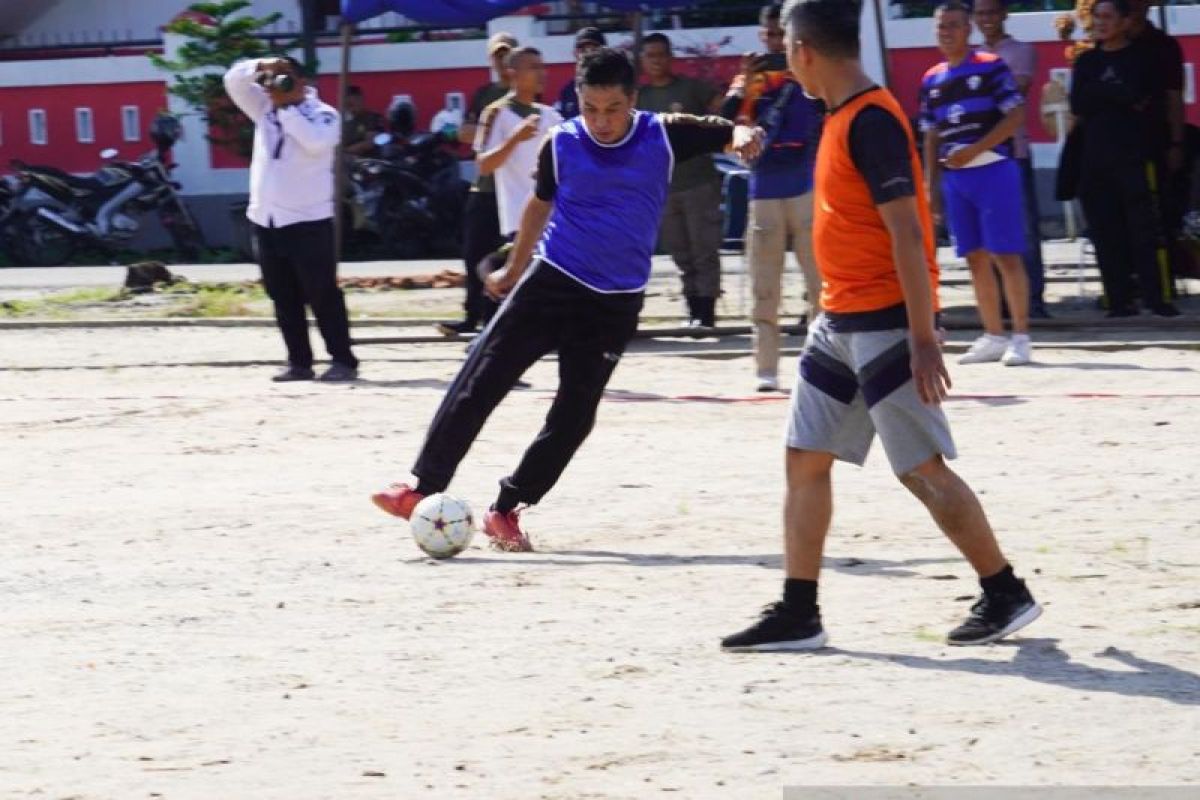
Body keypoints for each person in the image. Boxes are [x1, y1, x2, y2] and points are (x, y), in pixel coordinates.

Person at [722, 0, 1040, 651]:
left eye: (786, 45)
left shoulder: (872, 120)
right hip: (837, 318)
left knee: (921, 469)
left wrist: (923, 335)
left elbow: (907, 232)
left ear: (805, 49)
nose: (784, 57)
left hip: (885, 325)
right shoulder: (837, 115)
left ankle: (1005, 592)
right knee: (803, 459)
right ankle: (799, 609)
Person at [372, 49, 763, 552]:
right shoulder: (561, 142)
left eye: (614, 108)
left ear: (634, 100)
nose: (602, 120)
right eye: (591, 107)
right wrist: (514, 269)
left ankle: (507, 508)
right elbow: (540, 204)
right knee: (482, 377)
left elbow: (723, 129)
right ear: (578, 99)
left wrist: (744, 134)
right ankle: (421, 487)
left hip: (616, 298)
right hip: (552, 278)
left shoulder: (662, 132)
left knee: (576, 412)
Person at [223, 56, 358, 382]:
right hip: (267, 219)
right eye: (273, 80)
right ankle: (299, 362)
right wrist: (261, 65)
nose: (276, 85)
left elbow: (316, 143)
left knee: (322, 292)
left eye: (285, 78)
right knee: (281, 294)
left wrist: (288, 107)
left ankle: (343, 359)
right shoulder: (263, 109)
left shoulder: (323, 114)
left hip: (308, 220)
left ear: (302, 81)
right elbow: (232, 81)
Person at [920, 2, 1032, 367]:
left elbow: (1015, 114)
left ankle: (1021, 336)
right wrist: (929, 187)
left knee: (1006, 256)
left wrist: (975, 150)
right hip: (955, 178)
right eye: (940, 26)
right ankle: (992, 334)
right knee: (973, 258)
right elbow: (932, 137)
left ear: (968, 29)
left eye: (953, 25)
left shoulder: (990, 65)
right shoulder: (931, 79)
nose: (946, 32)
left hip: (993, 169)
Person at [720, 2, 825, 392]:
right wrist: (744, 81)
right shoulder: (751, 78)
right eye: (768, 34)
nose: (774, 41)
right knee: (765, 286)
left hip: (806, 186)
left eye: (780, 33)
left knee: (820, 287)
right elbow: (726, 118)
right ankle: (766, 369)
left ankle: (821, 364)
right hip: (763, 189)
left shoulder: (811, 69)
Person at [1071, 0, 1178, 317]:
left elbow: (1140, 95)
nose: (1101, 23)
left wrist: (1105, 93)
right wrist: (1115, 93)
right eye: (1097, 17)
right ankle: (1117, 299)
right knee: (1105, 230)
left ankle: (1155, 297)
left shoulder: (1141, 58)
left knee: (1143, 229)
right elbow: (1080, 102)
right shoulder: (1086, 61)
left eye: (1108, 17)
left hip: (1133, 154)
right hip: (1094, 157)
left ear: (1124, 21)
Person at [637, 32, 724, 328]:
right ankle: (692, 308)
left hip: (699, 182)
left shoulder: (691, 88)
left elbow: (722, 107)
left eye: (661, 54)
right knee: (680, 252)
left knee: (704, 250)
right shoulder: (641, 97)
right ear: (643, 61)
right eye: (650, 56)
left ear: (670, 57)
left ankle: (706, 311)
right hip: (663, 187)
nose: (657, 61)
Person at [439, 32, 519, 336]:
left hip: (511, 190)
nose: (502, 61)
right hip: (484, 187)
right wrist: (496, 135)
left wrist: (488, 135)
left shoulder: (526, 96)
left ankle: (499, 320)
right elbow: (464, 133)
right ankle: (472, 317)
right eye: (497, 55)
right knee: (474, 255)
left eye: (507, 54)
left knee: (507, 258)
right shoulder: (484, 94)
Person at [973, 0, 1049, 319]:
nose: (986, 19)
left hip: (1011, 151)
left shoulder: (1019, 51)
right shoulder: (969, 54)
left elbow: (1012, 96)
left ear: (1004, 14)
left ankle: (1032, 300)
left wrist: (971, 94)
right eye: (980, 13)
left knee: (1024, 228)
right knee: (987, 228)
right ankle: (1001, 302)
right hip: (977, 154)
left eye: (992, 12)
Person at [1129, 0, 1186, 308]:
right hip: (1116, 147)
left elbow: (1174, 96)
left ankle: (1161, 288)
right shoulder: (1103, 47)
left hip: (1155, 138)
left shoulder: (1163, 46)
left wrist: (1176, 142)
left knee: (1156, 217)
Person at [476, 47, 563, 244]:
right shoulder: (496, 113)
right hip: (519, 221)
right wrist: (515, 138)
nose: (542, 73)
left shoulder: (552, 116)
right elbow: (483, 165)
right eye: (533, 68)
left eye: (542, 67)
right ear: (512, 73)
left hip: (555, 220)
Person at [555, 27, 607, 120]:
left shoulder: (615, 86)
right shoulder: (567, 91)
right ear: (575, 54)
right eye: (583, 51)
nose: (588, 54)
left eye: (594, 49)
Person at [341, 85, 384, 158]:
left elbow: (369, 144)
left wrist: (345, 151)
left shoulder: (372, 118)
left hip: (368, 161)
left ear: (360, 100)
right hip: (345, 162)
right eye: (347, 106)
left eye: (352, 105)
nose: (350, 109)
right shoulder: (340, 121)